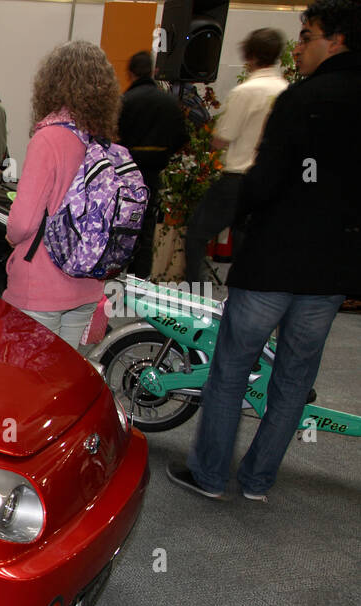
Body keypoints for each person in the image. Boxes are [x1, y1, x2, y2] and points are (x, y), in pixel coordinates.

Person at [168, 0, 360, 503]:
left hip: (273, 261)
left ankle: (210, 475)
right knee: (295, 381)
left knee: (232, 370)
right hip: (328, 271)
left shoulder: (303, 99)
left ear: (336, 39)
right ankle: (257, 480)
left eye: (307, 36)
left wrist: (248, 213)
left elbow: (266, 180)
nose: (299, 47)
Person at [2, 40, 122, 348]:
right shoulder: (103, 141)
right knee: (65, 379)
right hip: (88, 282)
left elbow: (24, 222)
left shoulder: (49, 138)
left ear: (52, 84)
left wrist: (11, 236)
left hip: (41, 283)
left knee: (28, 379)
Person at [183, 30, 287, 283]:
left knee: (196, 234)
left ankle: (195, 296)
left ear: (249, 55)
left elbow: (222, 138)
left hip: (238, 178)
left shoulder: (246, 91)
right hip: (272, 179)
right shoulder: (287, 90)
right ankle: (243, 293)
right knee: (248, 240)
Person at [117, 51, 188, 279]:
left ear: (130, 72)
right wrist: (164, 153)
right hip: (152, 172)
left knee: (120, 222)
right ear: (153, 71)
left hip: (125, 172)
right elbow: (182, 137)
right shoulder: (167, 102)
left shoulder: (126, 101)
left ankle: (117, 274)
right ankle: (141, 278)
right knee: (146, 226)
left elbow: (112, 136)